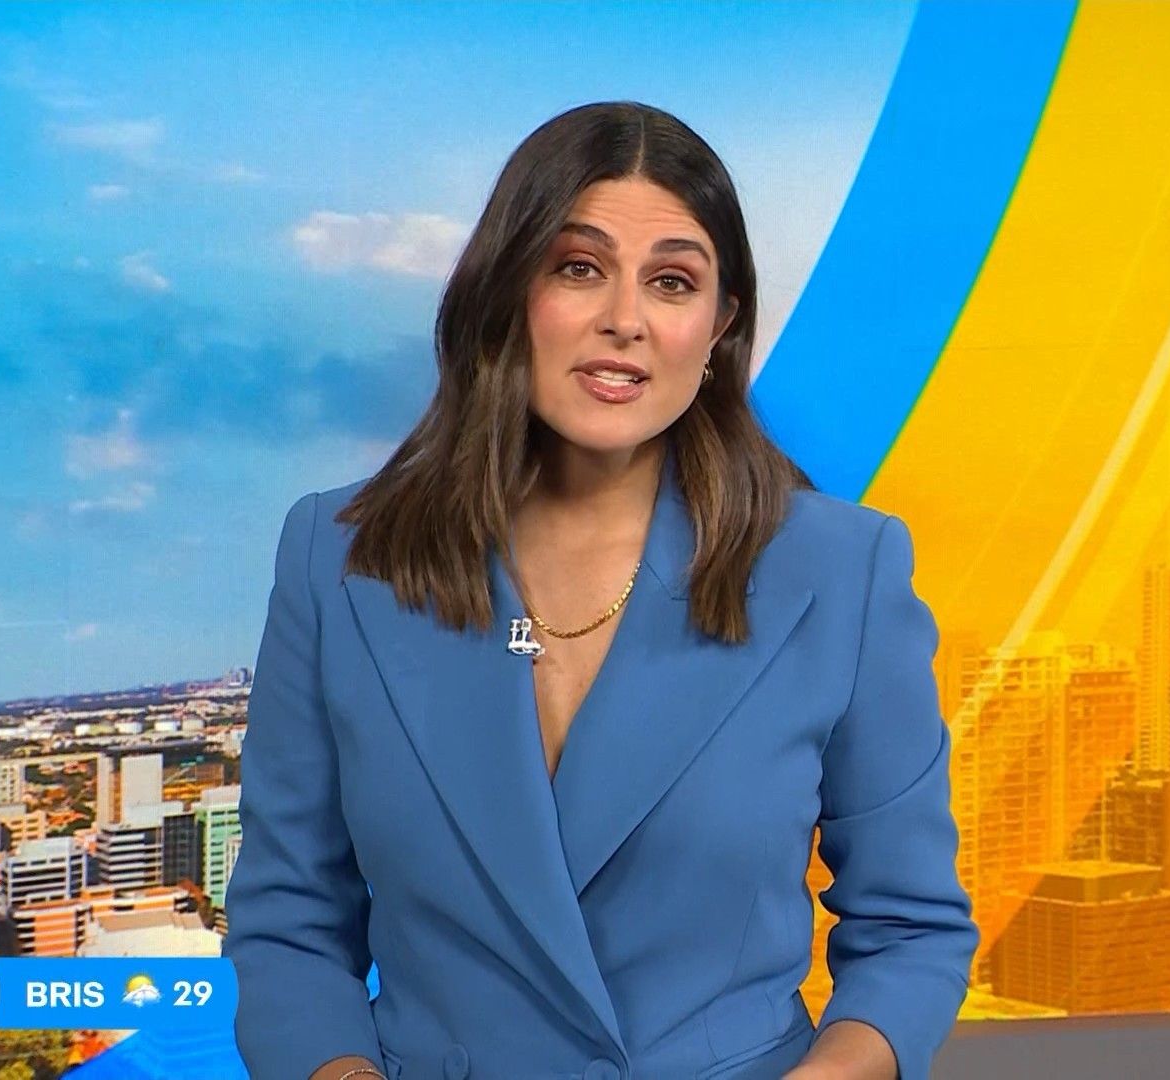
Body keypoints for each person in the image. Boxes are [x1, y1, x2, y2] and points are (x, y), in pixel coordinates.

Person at [224, 100, 978, 1080]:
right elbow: (291, 926)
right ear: (507, 290)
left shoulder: (840, 569)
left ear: (719, 326)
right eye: (579, 268)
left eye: (672, 282)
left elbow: (910, 930)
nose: (625, 319)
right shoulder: (337, 560)